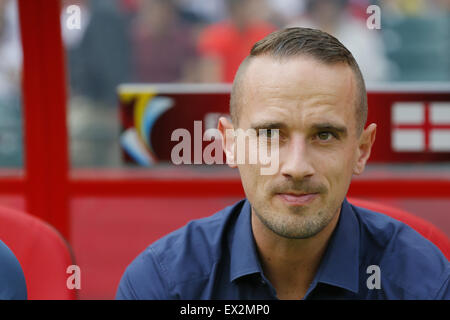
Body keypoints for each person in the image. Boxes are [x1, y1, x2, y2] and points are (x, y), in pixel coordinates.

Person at [116, 28, 449, 300]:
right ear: (231, 144)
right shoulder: (162, 284)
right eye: (271, 134)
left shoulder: (425, 284)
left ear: (361, 151)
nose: (297, 166)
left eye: (325, 135)